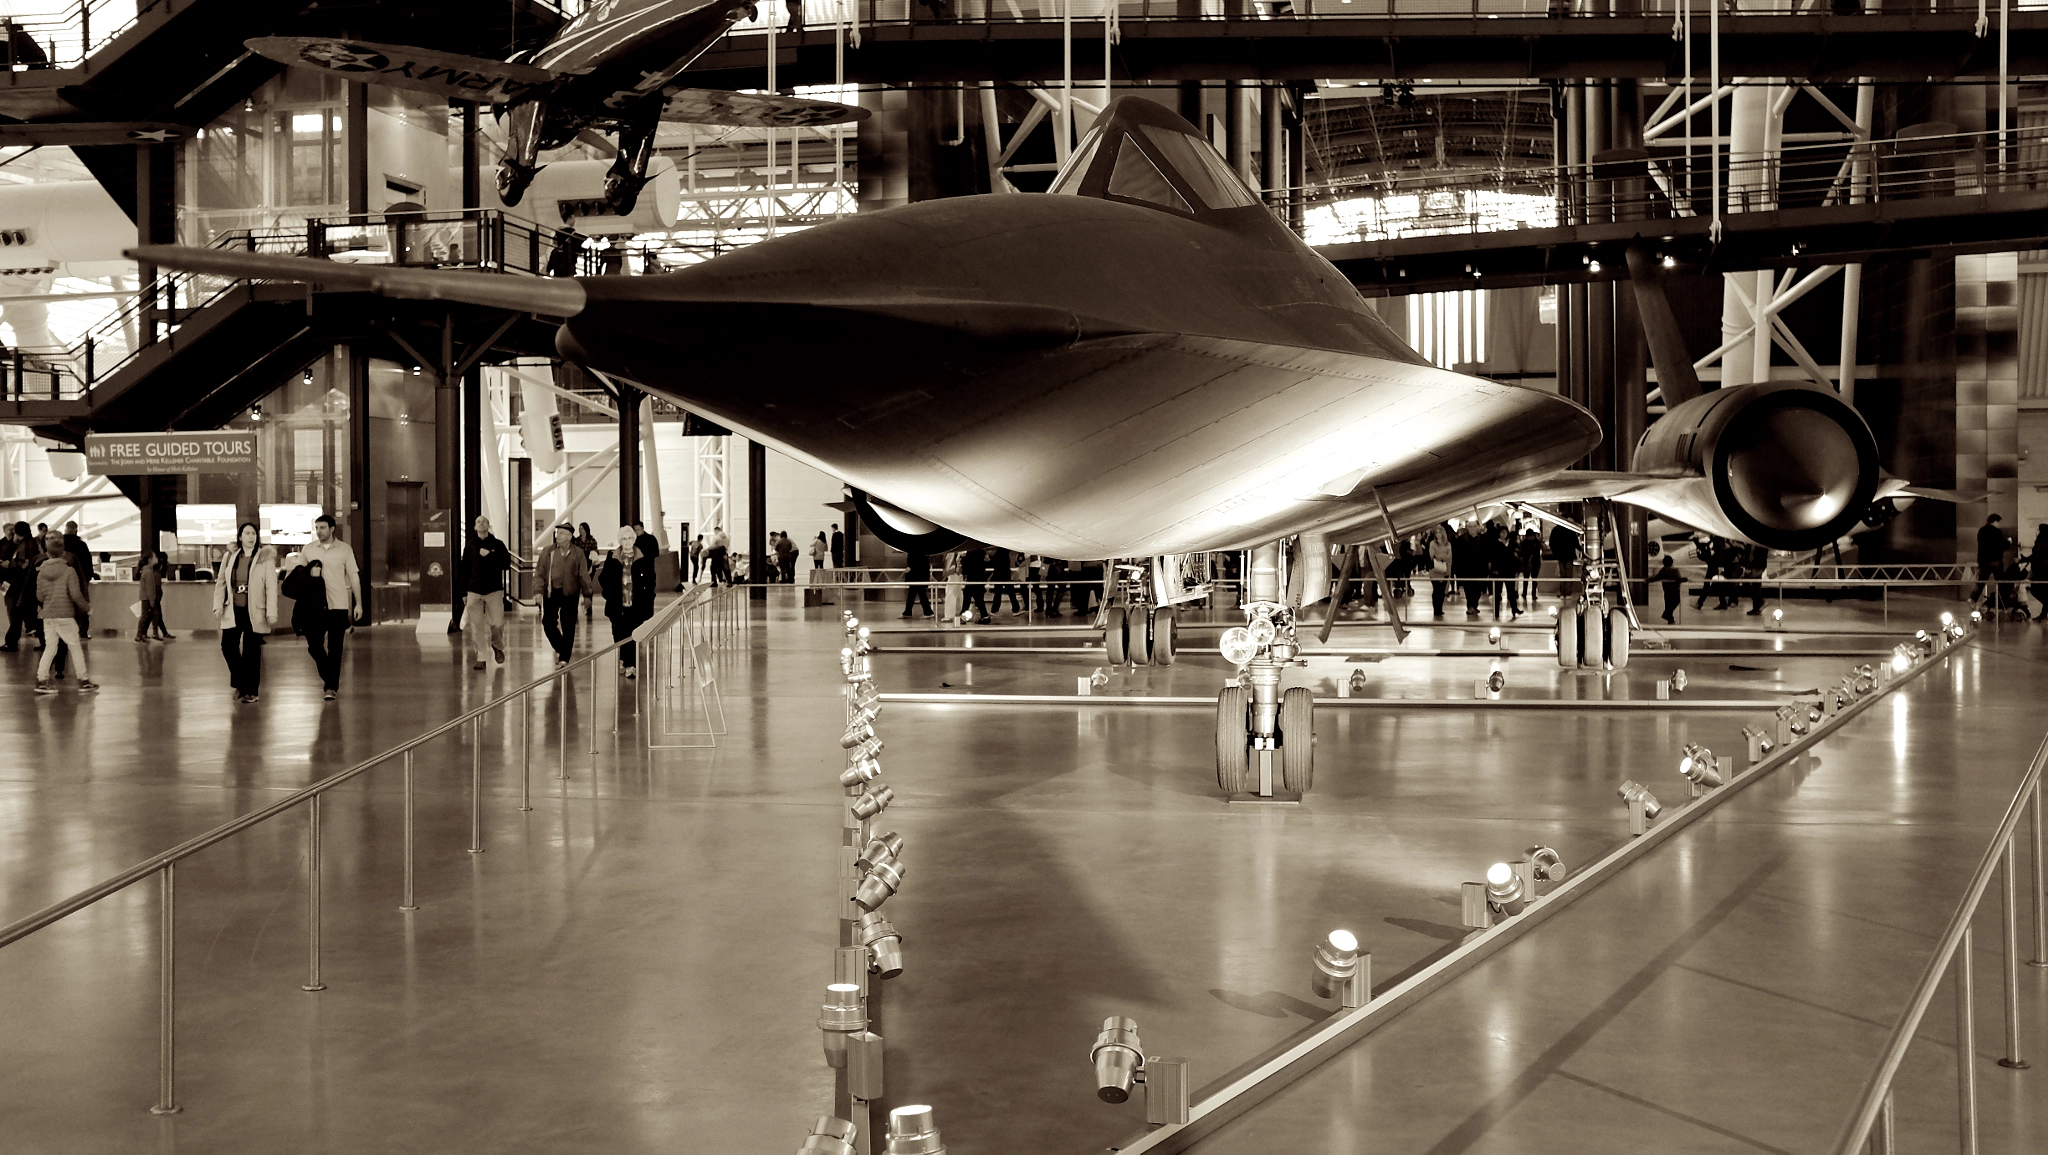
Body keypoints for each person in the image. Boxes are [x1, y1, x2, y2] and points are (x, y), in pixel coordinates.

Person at [298, 513, 363, 701]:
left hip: (338, 604)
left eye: (323, 528)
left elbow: (353, 576)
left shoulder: (344, 549)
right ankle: (329, 674)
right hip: (314, 605)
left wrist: (358, 603)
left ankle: (331, 687)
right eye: (316, 528)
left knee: (336, 647)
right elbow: (298, 575)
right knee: (314, 645)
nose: (319, 531)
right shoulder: (308, 550)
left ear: (332, 529)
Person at [212, 522, 279, 703]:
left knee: (252, 651)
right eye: (247, 533)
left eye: (254, 534)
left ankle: (251, 691)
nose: (251, 537)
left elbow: (271, 587)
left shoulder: (265, 558)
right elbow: (221, 583)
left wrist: (271, 611)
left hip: (255, 611)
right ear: (240, 536)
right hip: (233, 609)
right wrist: (218, 605)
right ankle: (241, 682)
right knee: (228, 646)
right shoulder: (230, 556)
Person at [33, 533, 94, 694]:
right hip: (65, 615)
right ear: (63, 552)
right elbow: (75, 594)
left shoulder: (40, 573)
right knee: (75, 647)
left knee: (50, 648)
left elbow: (39, 596)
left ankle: (41, 681)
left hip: (48, 616)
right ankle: (84, 680)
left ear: (47, 552)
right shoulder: (69, 571)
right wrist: (87, 608)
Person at [600, 527, 657, 677]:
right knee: (618, 634)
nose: (627, 542)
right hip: (617, 604)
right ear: (620, 541)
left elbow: (651, 580)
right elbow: (603, 578)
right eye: (624, 539)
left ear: (634, 540)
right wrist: (609, 594)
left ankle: (630, 665)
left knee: (632, 634)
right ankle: (623, 659)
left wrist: (648, 597)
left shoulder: (643, 557)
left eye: (630, 539)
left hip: (636, 604)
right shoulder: (612, 557)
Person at [537, 522, 594, 665]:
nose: (558, 535)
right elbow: (539, 573)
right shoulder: (547, 552)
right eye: (557, 533)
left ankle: (564, 658)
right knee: (548, 622)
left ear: (569, 536)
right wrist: (538, 591)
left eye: (561, 533)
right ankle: (561, 647)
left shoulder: (578, 553)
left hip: (570, 593)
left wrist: (587, 594)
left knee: (568, 624)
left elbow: (583, 575)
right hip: (551, 591)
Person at [461, 514, 513, 670]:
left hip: (493, 590)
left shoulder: (498, 544)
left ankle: (497, 645)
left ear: (488, 526)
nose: (481, 523)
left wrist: (490, 555)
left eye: (484, 521)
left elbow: (506, 564)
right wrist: (463, 592)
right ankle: (481, 658)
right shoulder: (470, 545)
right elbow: (464, 570)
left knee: (497, 623)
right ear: (475, 527)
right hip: (474, 590)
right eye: (478, 521)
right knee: (476, 626)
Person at [0, 522, 36, 651]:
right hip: (16, 584)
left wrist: (9, 565)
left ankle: (11, 642)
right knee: (21, 612)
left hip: (16, 584)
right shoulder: (28, 544)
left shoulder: (24, 546)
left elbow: (24, 564)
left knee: (14, 612)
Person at [135, 551, 175, 641]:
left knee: (152, 615)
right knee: (147, 616)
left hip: (147, 598)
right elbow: (150, 588)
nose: (156, 559)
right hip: (149, 598)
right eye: (154, 557)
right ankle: (142, 634)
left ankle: (147, 633)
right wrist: (152, 600)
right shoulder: (149, 573)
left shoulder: (146, 571)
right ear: (150, 560)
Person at [1973, 513, 2011, 608]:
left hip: (1983, 561)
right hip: (1995, 560)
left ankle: (1973, 599)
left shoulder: (1981, 531)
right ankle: (2002, 602)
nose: (2000, 524)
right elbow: (2001, 546)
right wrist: (2008, 542)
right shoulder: (1997, 532)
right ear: (1995, 521)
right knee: (2000, 582)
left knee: (1981, 581)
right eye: (1999, 522)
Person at [959, 545, 990, 623]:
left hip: (973, 578)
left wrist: (962, 558)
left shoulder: (971, 553)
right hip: (979, 578)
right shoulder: (981, 553)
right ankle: (984, 616)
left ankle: (964, 617)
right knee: (976, 598)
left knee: (970, 597)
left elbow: (967, 565)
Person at [1651, 554, 1683, 625]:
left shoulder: (1663, 571)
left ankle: (1670, 620)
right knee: (1676, 602)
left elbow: (1655, 578)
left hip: (1667, 590)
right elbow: (1678, 579)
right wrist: (1685, 579)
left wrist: (1647, 580)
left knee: (1668, 605)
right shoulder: (1675, 570)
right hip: (1675, 590)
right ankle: (1666, 615)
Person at [1516, 526, 1543, 607]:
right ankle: (1533, 593)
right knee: (1534, 579)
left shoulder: (1524, 542)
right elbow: (1538, 553)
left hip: (1526, 563)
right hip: (1535, 563)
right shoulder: (1537, 542)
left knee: (1526, 579)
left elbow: (1522, 553)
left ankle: (1525, 593)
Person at [901, 550, 933, 618]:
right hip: (919, 576)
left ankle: (928, 612)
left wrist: (911, 567)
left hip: (918, 576)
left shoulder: (918, 553)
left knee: (918, 594)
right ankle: (908, 612)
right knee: (914, 594)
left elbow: (918, 562)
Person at [991, 548, 1022, 613]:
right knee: (1011, 593)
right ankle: (1016, 609)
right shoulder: (1005, 556)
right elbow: (1004, 567)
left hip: (998, 576)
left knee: (998, 593)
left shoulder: (997, 555)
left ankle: (994, 610)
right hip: (1005, 576)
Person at [2030, 525, 2048, 621]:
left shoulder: (2040, 541)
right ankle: (2044, 613)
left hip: (2040, 570)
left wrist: (2025, 559)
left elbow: (2035, 555)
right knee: (2045, 591)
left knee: (2035, 589)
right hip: (2045, 570)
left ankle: (2044, 612)